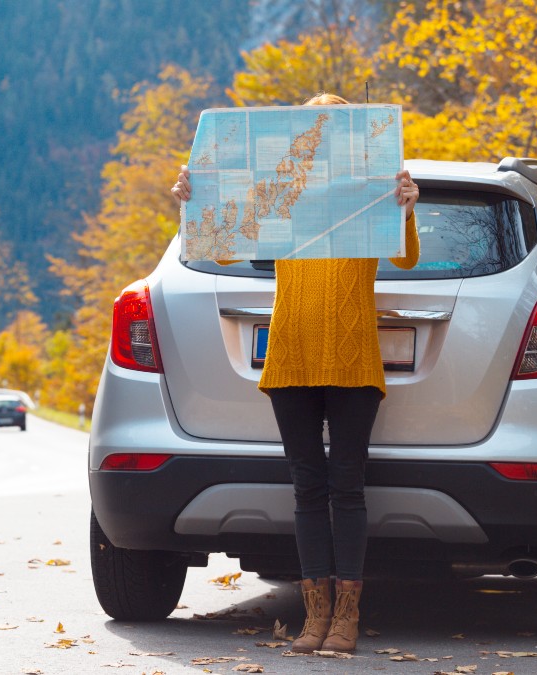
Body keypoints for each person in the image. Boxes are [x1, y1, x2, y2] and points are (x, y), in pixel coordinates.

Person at [171, 92, 420, 654]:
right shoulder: (282, 193)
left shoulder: (367, 192)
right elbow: (223, 244)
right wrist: (194, 199)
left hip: (353, 358)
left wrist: (406, 204)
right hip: (291, 356)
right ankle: (316, 617)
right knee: (307, 488)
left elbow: (404, 257)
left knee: (347, 486)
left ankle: (347, 620)